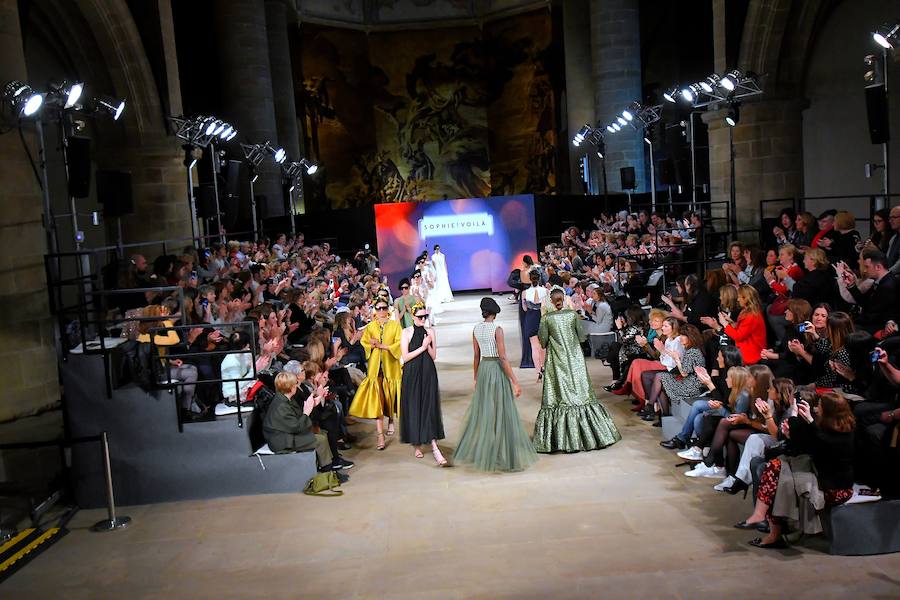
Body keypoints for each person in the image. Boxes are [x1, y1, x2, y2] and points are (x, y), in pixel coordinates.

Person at [454, 298, 539, 472]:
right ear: (495, 312)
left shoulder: (476, 329)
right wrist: (515, 382)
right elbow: (503, 358)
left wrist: (476, 377)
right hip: (495, 370)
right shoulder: (497, 330)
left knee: (486, 412)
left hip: (484, 369)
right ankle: (502, 452)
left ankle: (488, 451)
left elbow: (476, 356)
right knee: (502, 411)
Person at [533, 288, 621, 453]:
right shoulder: (572, 315)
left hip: (556, 360)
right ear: (564, 300)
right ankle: (591, 435)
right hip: (575, 359)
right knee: (581, 392)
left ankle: (561, 439)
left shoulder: (546, 318)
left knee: (559, 396)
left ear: (551, 301)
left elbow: (543, 341)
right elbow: (581, 337)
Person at [348, 298, 403, 451]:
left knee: (390, 395)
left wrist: (381, 346)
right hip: (375, 367)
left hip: (390, 366)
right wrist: (370, 344)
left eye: (383, 308)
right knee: (377, 399)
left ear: (388, 309)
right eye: (378, 308)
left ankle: (391, 419)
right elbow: (364, 343)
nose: (381, 311)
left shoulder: (395, 326)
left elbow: (398, 344)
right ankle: (380, 435)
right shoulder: (371, 326)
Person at [399, 303, 447, 465]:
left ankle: (434, 446)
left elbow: (433, 356)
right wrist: (423, 346)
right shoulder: (406, 332)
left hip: (427, 371)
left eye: (425, 317)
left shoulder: (430, 331)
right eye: (419, 317)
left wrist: (429, 343)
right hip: (412, 373)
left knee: (428, 406)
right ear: (412, 317)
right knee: (414, 406)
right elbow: (405, 357)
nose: (422, 320)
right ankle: (416, 444)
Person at [262, 371, 334, 470]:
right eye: (295, 383)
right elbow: (297, 427)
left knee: (322, 433)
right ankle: (327, 470)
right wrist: (306, 412)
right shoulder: (281, 405)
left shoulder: (285, 398)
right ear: (291, 387)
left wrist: (312, 405)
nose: (297, 385)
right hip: (282, 441)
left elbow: (297, 417)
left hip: (287, 434)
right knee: (320, 440)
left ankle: (328, 465)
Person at [522, 269, 548, 380]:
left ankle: (538, 372)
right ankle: (544, 368)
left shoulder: (524, 293)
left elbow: (524, 308)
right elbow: (547, 306)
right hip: (542, 318)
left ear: (530, 279)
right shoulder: (546, 291)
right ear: (539, 278)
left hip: (531, 319)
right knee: (543, 346)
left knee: (534, 347)